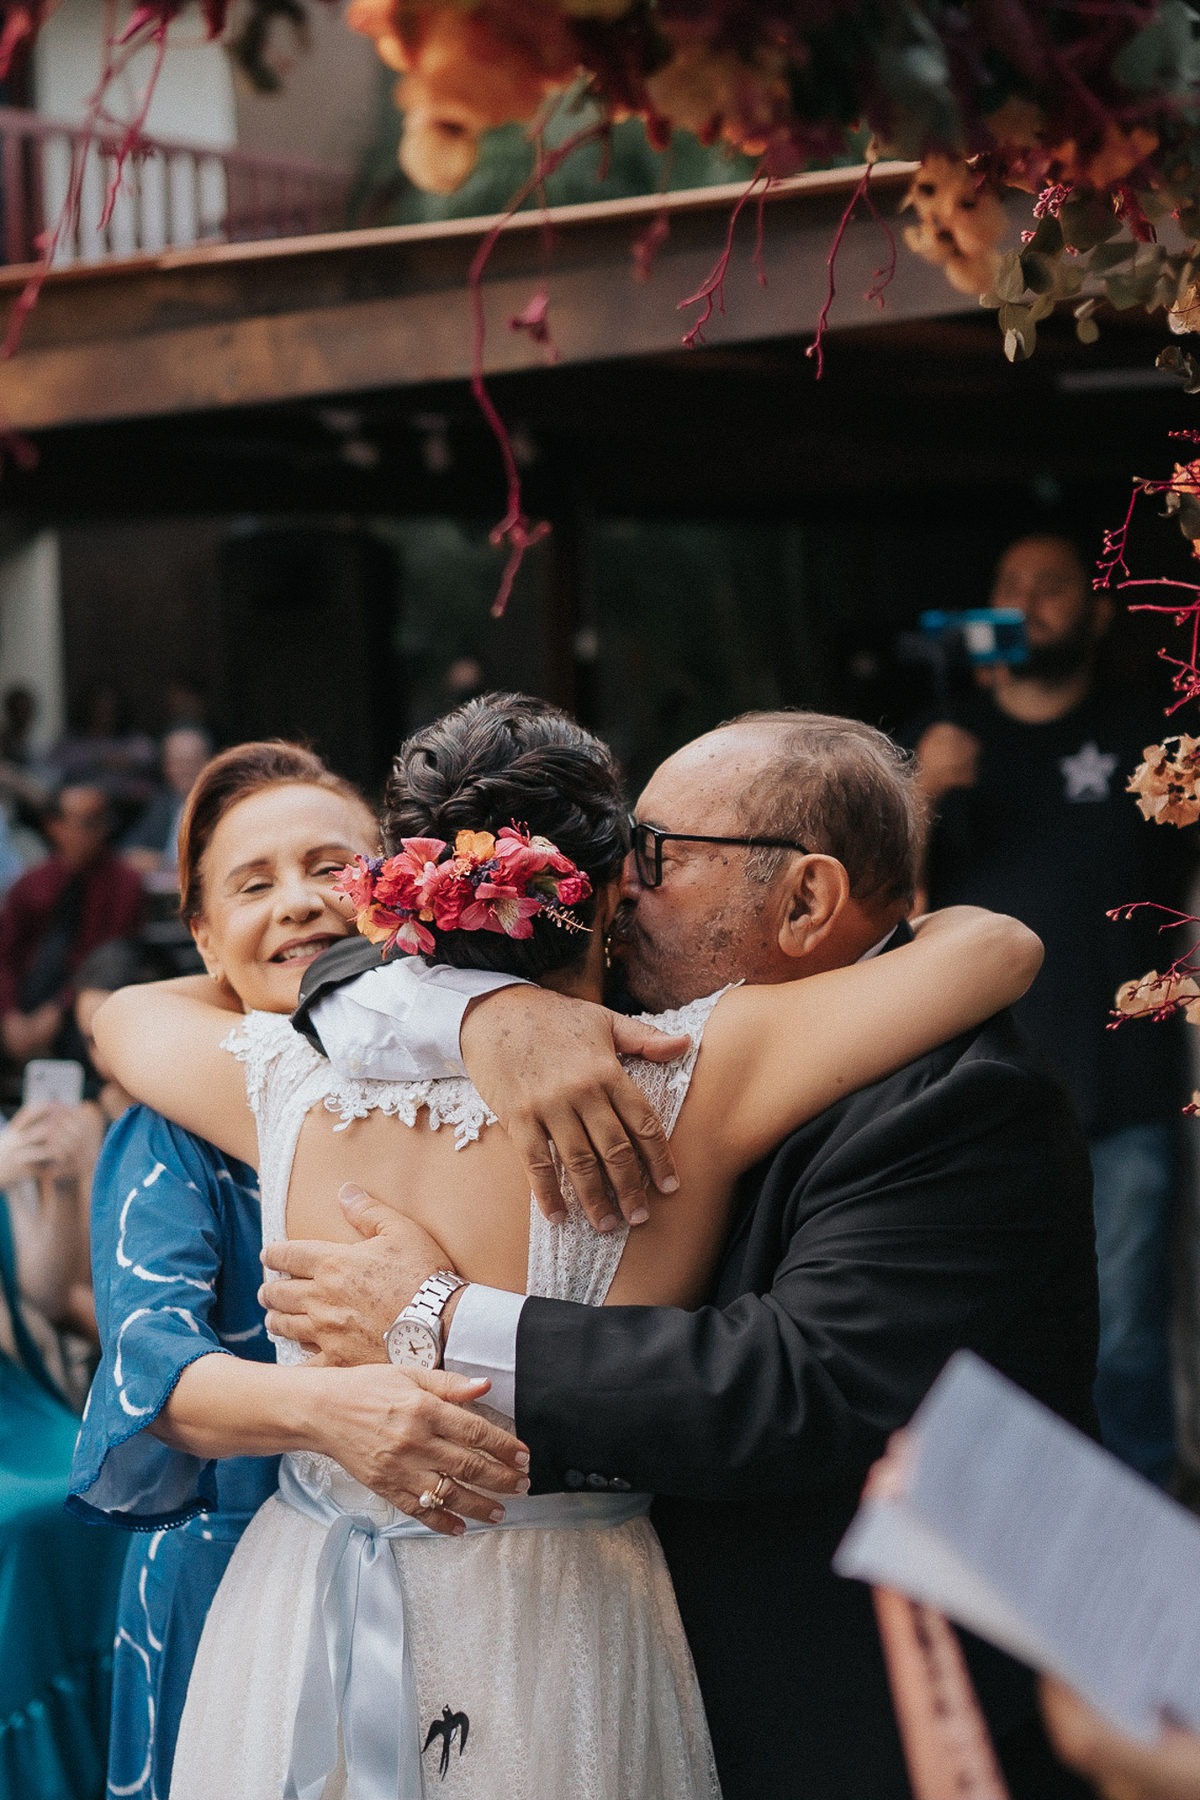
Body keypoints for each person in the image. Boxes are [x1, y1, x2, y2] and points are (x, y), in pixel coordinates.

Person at [94, 698, 1054, 1800]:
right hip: (562, 1608)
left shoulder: (278, 1079)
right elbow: (994, 953)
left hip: (301, 1585)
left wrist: (454, 1008)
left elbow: (121, 1016)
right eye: (633, 857)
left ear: (394, 893)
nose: (644, 885)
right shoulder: (696, 1069)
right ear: (596, 894)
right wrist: (482, 1017)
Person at [69, 742, 531, 1800]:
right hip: (228, 1556)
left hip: (485, 1572)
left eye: (333, 868)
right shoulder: (173, 1125)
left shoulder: (483, 1076)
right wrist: (337, 1411)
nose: (299, 905)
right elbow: (154, 1368)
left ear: (401, 889)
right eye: (251, 885)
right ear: (202, 939)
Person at [912, 533, 1193, 1487]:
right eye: (1010, 582)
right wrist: (917, 797)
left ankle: (1152, 1569)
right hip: (982, 1097)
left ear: (1098, 612)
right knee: (989, 1346)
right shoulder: (946, 746)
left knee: (1123, 1346)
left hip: (1124, 1094)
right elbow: (887, 923)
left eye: (1053, 586)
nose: (1028, 600)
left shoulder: (1152, 738)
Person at [0, 1096, 126, 1800]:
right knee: (25, 1520)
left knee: (103, 1477)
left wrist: (69, 1183)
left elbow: (42, 1297)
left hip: (17, 1399)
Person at [0, 784, 144, 1066]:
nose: (100, 830)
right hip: (23, 1003)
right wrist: (9, 1014)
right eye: (87, 823)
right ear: (55, 827)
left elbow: (109, 961)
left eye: (104, 820)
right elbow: (5, 956)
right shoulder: (30, 885)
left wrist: (58, 1008)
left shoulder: (126, 884)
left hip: (85, 1007)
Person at [122, 727, 214, 880]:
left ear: (210, 762)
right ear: (165, 766)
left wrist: (165, 863)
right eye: (176, 762)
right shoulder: (162, 805)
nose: (184, 769)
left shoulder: (226, 807)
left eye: (191, 761)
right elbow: (126, 852)